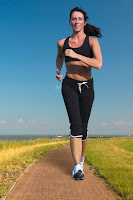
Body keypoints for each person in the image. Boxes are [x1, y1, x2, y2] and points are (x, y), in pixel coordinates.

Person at [56, 7, 103, 180]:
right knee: (75, 125)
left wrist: (76, 55)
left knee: (83, 128)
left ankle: (81, 160)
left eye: (79, 19)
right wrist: (57, 70)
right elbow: (59, 57)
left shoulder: (92, 42)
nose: (76, 22)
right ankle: (77, 167)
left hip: (87, 86)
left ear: (84, 22)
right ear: (70, 21)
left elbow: (98, 64)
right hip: (69, 85)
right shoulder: (62, 43)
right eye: (73, 19)